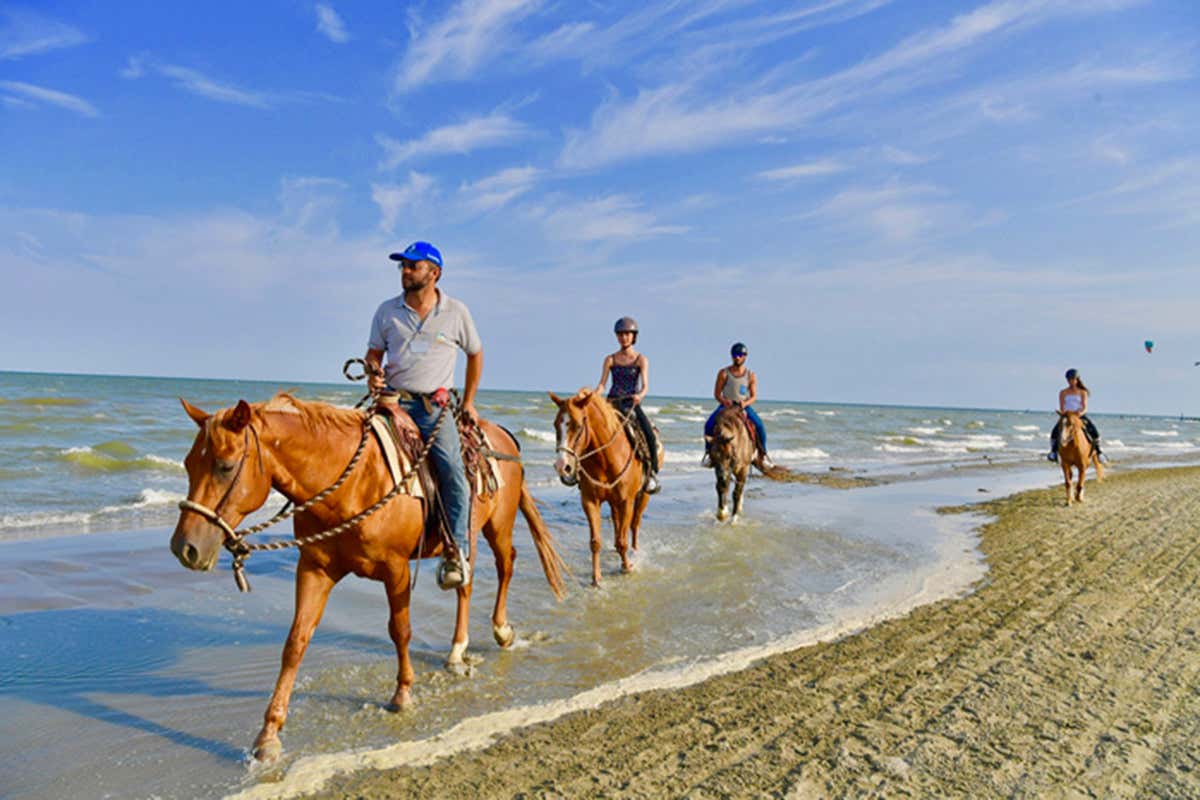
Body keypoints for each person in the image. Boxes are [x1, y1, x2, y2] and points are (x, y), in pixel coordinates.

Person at [365, 241, 482, 590]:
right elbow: (373, 354)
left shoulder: (456, 312)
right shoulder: (387, 311)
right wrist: (373, 372)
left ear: (434, 273)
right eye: (402, 266)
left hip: (434, 408)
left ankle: (455, 552)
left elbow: (475, 355)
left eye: (412, 266)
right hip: (392, 404)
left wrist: (470, 402)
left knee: (452, 470)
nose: (404, 271)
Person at [595, 316, 661, 494]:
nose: (624, 338)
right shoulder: (610, 359)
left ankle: (652, 473)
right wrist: (593, 396)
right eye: (620, 334)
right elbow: (602, 384)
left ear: (634, 336)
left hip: (631, 403)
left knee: (648, 434)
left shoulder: (641, 359)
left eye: (627, 334)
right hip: (612, 402)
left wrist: (640, 395)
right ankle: (580, 474)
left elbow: (645, 385)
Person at [703, 342, 771, 468]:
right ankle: (708, 453)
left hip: (742, 406)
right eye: (735, 355)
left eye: (740, 355)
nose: (737, 357)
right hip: (726, 406)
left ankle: (763, 454)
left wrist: (745, 403)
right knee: (709, 425)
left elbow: (754, 396)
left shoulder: (750, 375)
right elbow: (717, 394)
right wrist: (724, 401)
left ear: (745, 356)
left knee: (760, 425)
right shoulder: (723, 373)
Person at [1047, 368, 1102, 462]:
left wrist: (1079, 413)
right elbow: (1062, 407)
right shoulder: (1063, 392)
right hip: (1067, 416)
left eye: (1073, 379)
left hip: (1079, 415)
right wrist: (1064, 413)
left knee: (1094, 431)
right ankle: (1054, 452)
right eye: (1069, 380)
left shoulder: (1083, 392)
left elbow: (1084, 408)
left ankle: (1098, 451)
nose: (1071, 381)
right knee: (1054, 432)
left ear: (1077, 379)